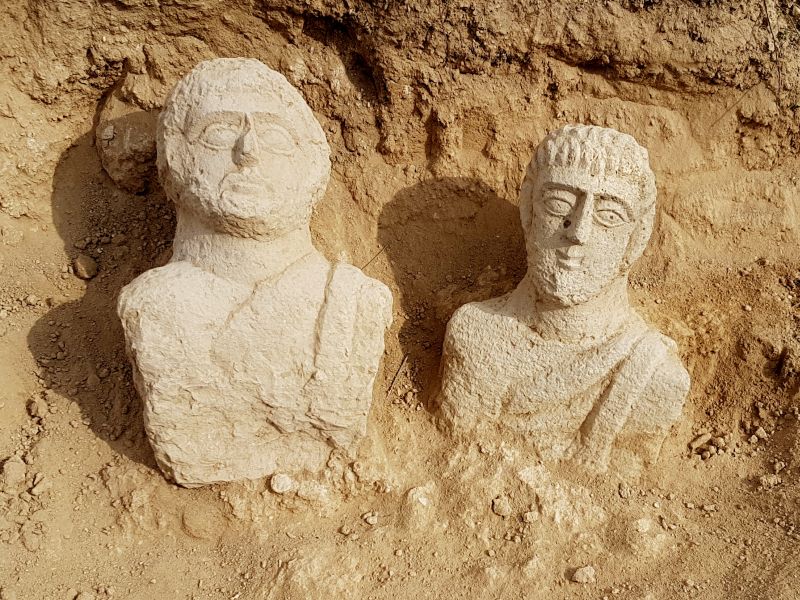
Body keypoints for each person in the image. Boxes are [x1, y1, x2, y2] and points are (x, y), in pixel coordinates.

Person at [118, 59, 392, 486]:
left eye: (276, 136)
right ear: (175, 156)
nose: (248, 151)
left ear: (313, 163)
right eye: (218, 132)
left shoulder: (355, 302)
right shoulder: (153, 307)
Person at [439, 124, 689, 474]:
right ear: (528, 211)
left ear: (637, 237)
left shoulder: (654, 377)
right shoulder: (473, 336)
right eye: (559, 204)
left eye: (609, 215)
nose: (579, 232)